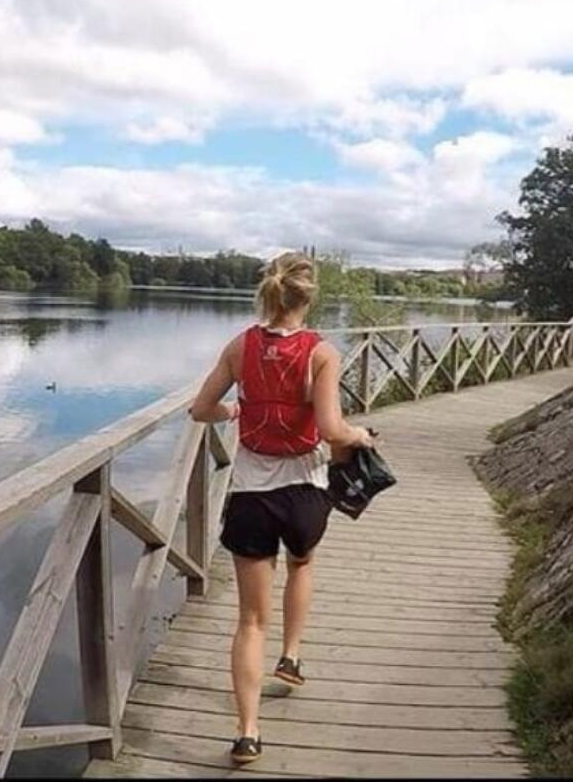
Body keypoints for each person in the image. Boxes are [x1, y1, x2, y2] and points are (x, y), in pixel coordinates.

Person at [189, 251, 373, 764]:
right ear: (309, 297)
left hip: (251, 492)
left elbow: (200, 410)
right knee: (303, 563)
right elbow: (333, 430)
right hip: (304, 490)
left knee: (250, 621)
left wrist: (233, 408)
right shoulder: (321, 352)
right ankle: (291, 657)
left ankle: (248, 733)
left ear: (270, 294)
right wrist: (359, 434)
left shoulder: (239, 346)